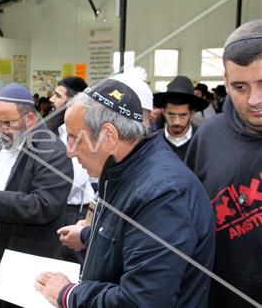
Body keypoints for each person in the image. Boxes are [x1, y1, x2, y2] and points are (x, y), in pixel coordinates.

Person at [35, 78, 215, 307]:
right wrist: (87, 236)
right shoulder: (127, 168)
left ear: (108, 136)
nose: (69, 152)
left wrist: (68, 294)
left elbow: (141, 300)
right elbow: (130, 236)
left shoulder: (162, 195)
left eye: (74, 139)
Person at [185, 19, 262, 307]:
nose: (254, 99)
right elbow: (186, 218)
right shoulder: (208, 137)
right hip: (218, 296)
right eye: (240, 86)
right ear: (225, 81)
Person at [0, 83, 73, 261]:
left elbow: (43, 205)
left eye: (8, 123)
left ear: (30, 119)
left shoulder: (52, 151)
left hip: (25, 257)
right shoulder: (5, 144)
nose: (1, 129)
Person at [48, 77, 93, 263]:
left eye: (58, 95)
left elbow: (75, 178)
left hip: (73, 212)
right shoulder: (56, 129)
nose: (51, 99)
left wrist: (46, 189)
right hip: (56, 207)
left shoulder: (79, 132)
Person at [153, 76, 209, 160]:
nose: (176, 122)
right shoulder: (153, 142)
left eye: (183, 115)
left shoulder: (203, 142)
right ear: (163, 111)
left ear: (192, 113)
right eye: (171, 115)